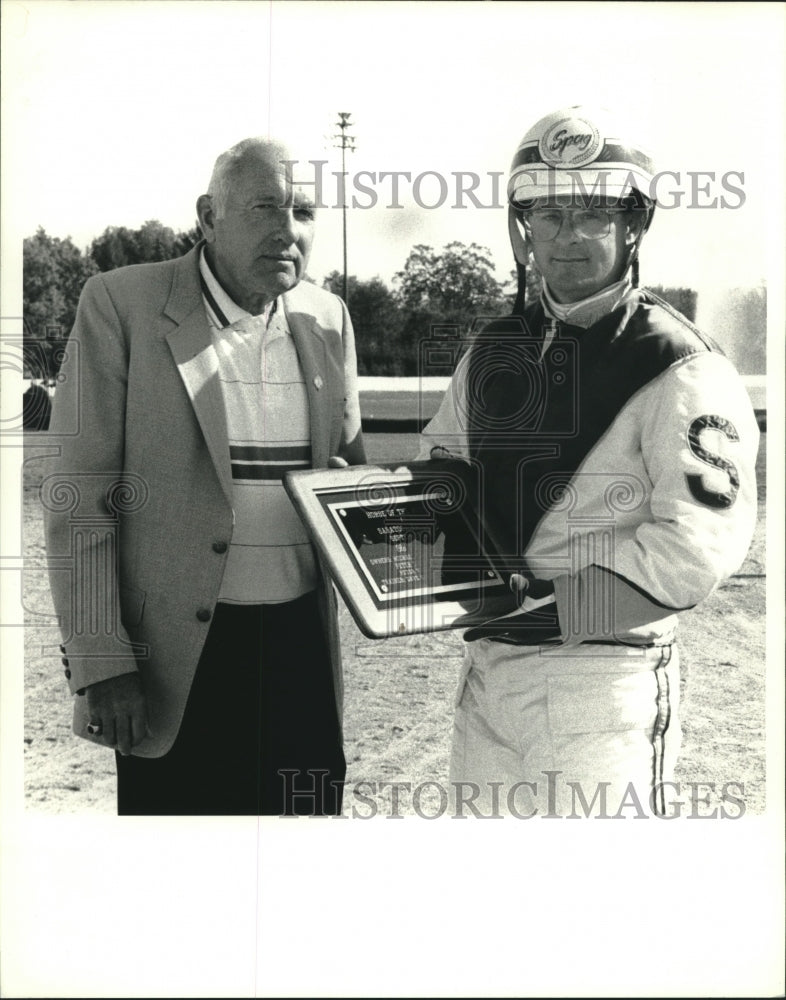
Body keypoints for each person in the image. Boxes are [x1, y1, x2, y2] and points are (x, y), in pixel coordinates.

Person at [417, 106, 759, 818]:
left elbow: (695, 550)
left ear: (631, 226)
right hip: (487, 672)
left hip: (604, 675)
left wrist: (558, 613)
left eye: (591, 214)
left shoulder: (680, 363)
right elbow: (440, 462)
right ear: (525, 231)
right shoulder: (492, 348)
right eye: (548, 216)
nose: (567, 237)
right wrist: (389, 519)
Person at [43, 137, 365, 816]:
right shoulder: (119, 304)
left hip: (299, 651)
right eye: (264, 207)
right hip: (174, 660)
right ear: (207, 216)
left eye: (303, 211)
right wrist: (103, 663)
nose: (287, 229)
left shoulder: (329, 318)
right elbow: (79, 499)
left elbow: (350, 477)